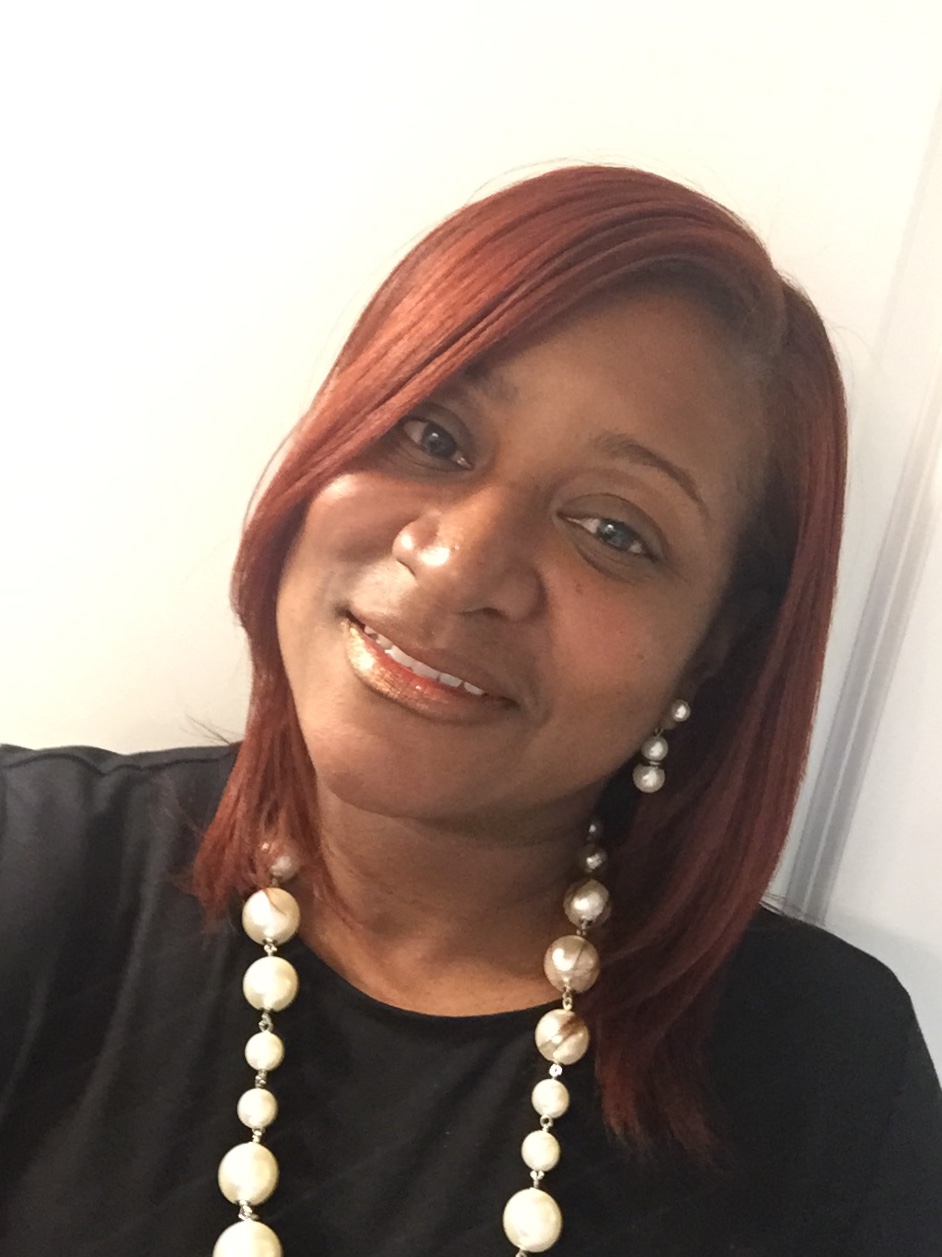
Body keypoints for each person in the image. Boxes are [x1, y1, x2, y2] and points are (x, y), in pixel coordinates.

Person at [1, 165, 940, 1257]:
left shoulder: (828, 1083)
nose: (459, 563)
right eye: (434, 437)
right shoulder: (37, 869)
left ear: (713, 648)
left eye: (614, 530)